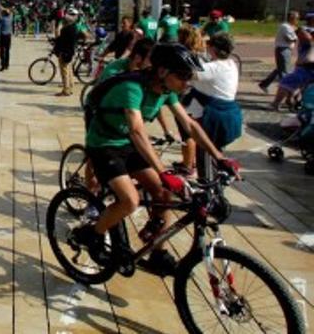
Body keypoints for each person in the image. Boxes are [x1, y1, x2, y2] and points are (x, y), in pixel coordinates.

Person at [73, 44, 238, 276]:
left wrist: (219, 158)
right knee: (130, 200)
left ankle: (157, 252)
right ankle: (94, 235)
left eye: (189, 77)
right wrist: (163, 171)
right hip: (104, 145)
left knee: (163, 194)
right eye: (182, 76)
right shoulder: (132, 88)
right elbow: (137, 131)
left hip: (128, 145)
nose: (187, 83)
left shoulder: (167, 91)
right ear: (162, 71)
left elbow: (189, 124)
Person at [183, 33, 242, 178]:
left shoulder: (214, 67)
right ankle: (214, 186)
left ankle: (209, 190)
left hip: (214, 117)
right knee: (215, 153)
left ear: (213, 48)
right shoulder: (231, 64)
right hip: (228, 115)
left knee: (206, 156)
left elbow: (187, 74)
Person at [271, 12, 314, 110]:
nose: (297, 20)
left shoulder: (304, 30)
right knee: (289, 82)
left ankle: (295, 102)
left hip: (307, 64)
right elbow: (307, 39)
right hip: (305, 64)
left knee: (299, 85)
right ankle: (283, 102)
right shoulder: (303, 30)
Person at [259, 11, 298, 93]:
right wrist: (298, 36)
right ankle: (285, 91)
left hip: (285, 50)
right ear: (292, 18)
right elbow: (290, 39)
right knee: (284, 72)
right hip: (283, 50)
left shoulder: (289, 26)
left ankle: (264, 84)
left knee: (280, 69)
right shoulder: (286, 27)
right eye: (296, 18)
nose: (297, 20)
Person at [53, 8, 86, 96]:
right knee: (69, 70)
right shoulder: (74, 28)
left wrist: (58, 28)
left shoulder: (65, 30)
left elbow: (59, 38)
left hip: (65, 52)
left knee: (64, 71)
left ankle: (66, 90)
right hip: (71, 51)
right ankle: (70, 86)